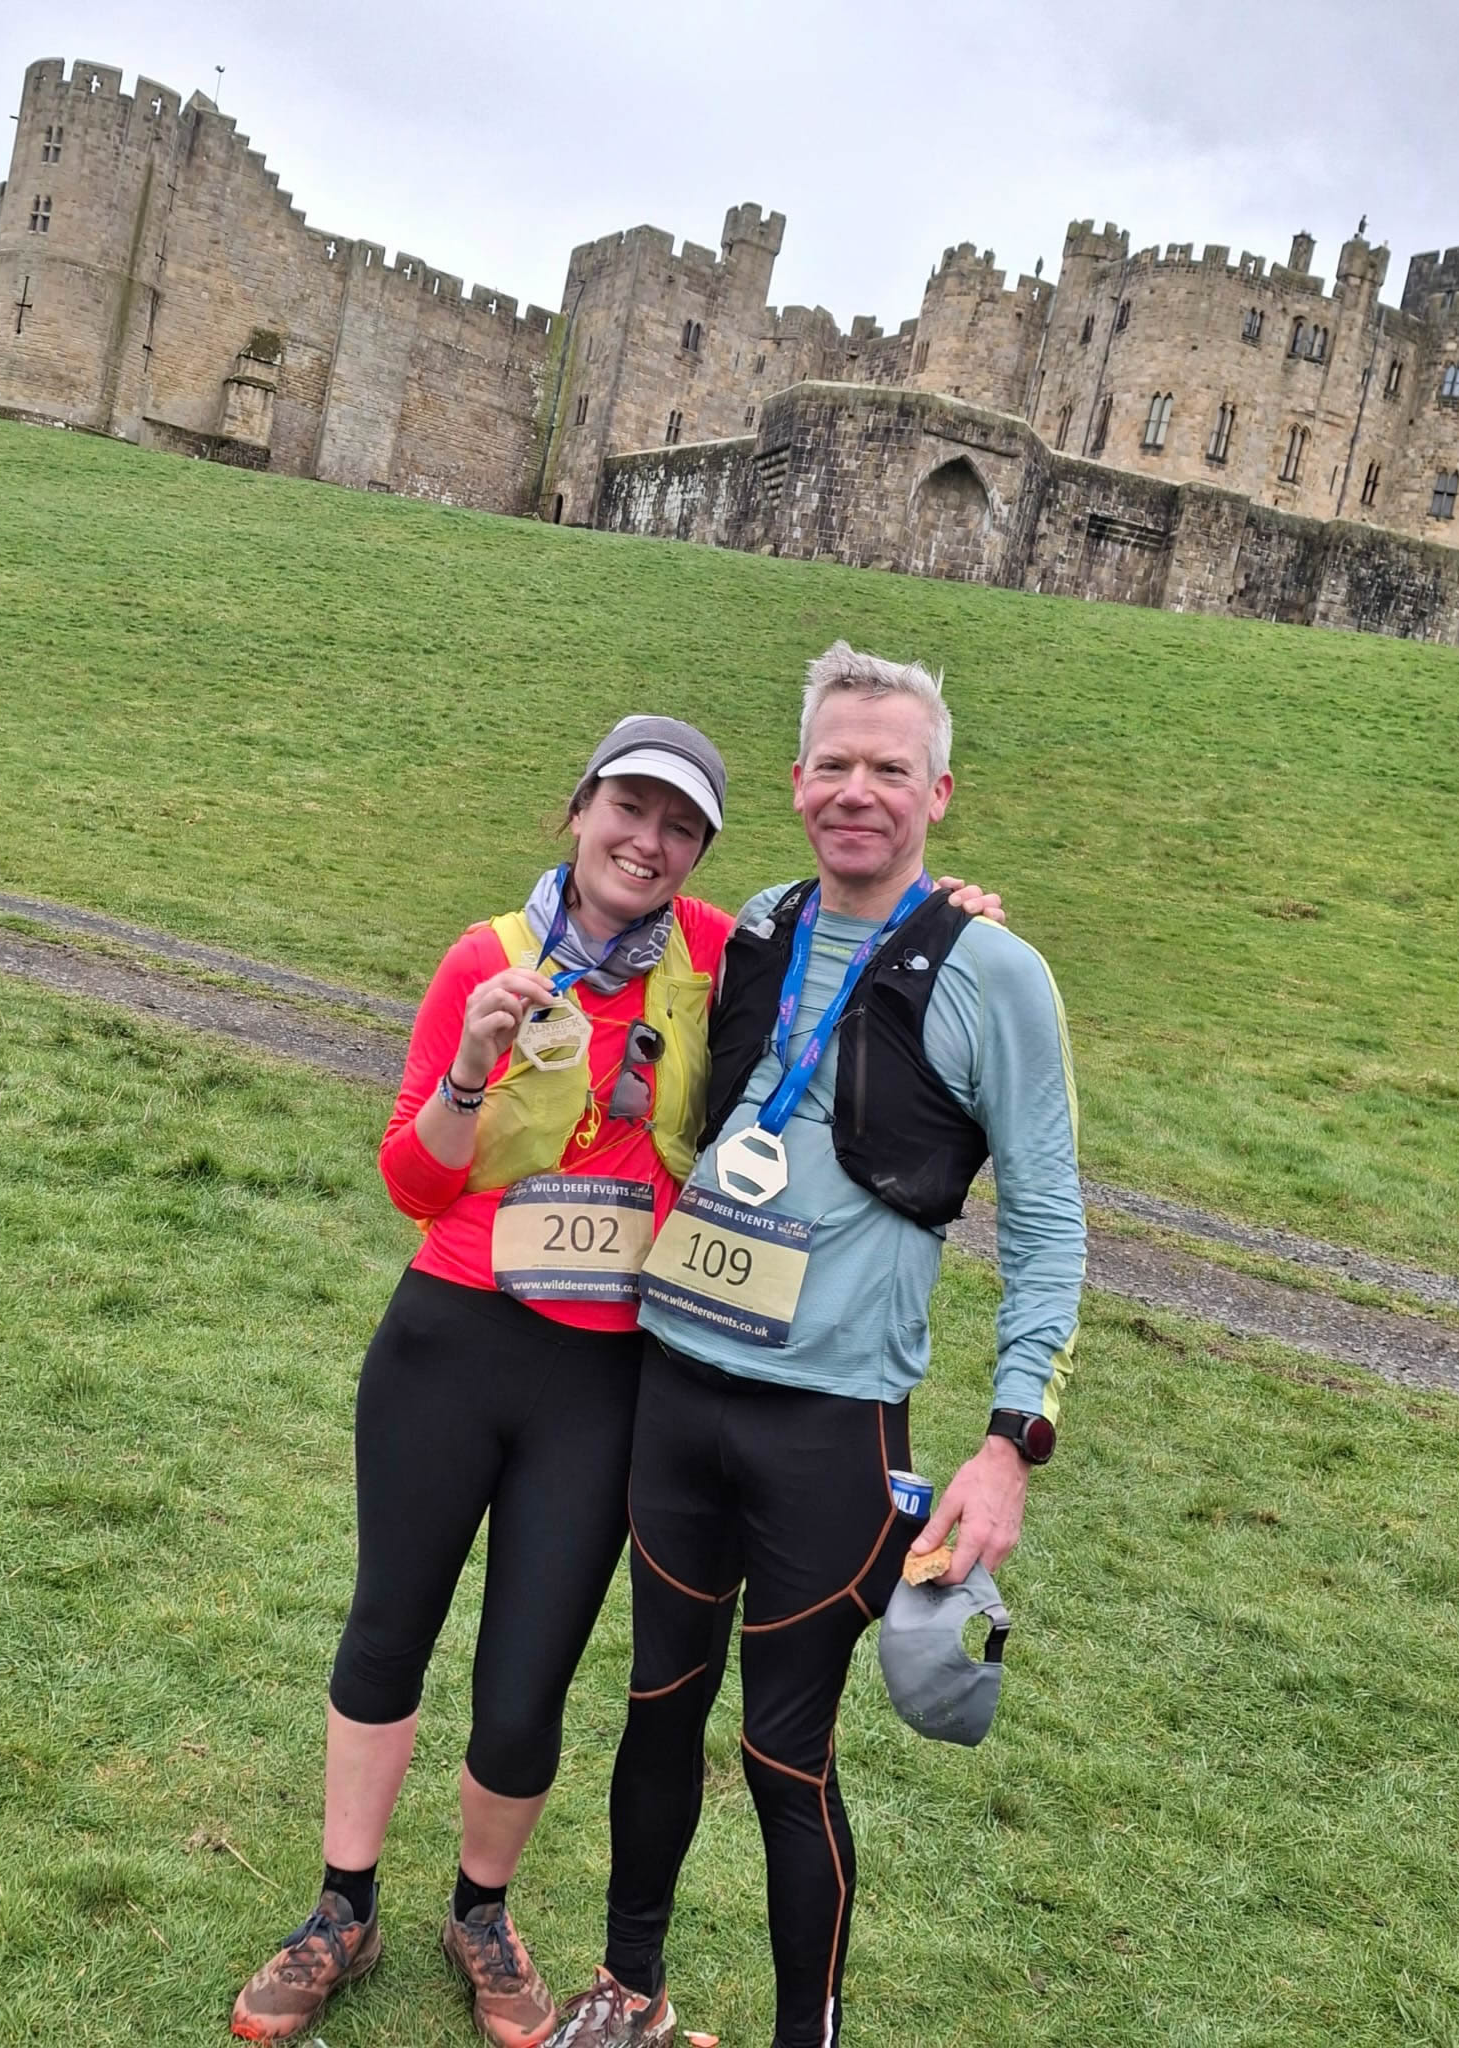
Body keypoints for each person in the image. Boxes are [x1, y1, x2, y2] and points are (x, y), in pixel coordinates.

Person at [231, 713, 1003, 2046]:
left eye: (680, 826)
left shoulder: (716, 953)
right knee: (388, 1630)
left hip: (603, 1377)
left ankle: (481, 1915)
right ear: (580, 810)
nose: (647, 842)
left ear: (699, 851)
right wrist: (469, 1069)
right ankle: (339, 1910)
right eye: (629, 810)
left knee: (528, 1671)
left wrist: (946, 915)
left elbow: (853, 939)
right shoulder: (485, 957)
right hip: (449, 1343)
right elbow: (411, 1181)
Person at [543, 644, 1086, 2048]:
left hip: (832, 1427)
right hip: (678, 1392)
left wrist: (1011, 1442)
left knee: (785, 1756)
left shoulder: (997, 974)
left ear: (938, 793)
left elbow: (1049, 1225)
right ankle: (627, 1991)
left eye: (890, 769)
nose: (858, 791)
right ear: (795, 782)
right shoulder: (758, 929)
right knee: (656, 1708)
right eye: (834, 764)